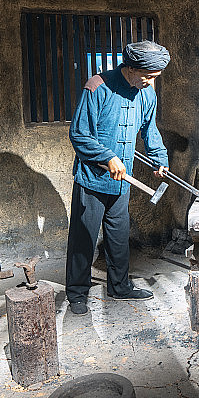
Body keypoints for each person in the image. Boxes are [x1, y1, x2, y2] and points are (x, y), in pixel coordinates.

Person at [66, 40, 170, 315]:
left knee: (118, 236)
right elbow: (79, 134)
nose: (150, 82)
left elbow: (150, 130)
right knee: (84, 238)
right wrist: (107, 157)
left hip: (122, 182)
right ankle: (77, 293)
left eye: (155, 77)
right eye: (147, 76)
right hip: (92, 179)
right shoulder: (97, 86)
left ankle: (120, 286)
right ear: (131, 68)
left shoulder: (147, 94)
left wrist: (159, 158)